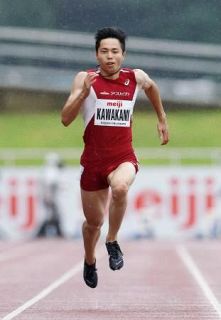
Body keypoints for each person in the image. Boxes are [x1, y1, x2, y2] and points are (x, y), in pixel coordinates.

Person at [61, 27, 169, 288]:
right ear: (97, 55)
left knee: (120, 187)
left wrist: (162, 118)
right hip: (93, 162)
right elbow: (65, 119)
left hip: (122, 156)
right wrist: (83, 94)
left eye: (115, 52)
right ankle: (89, 260)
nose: (110, 57)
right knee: (92, 223)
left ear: (123, 54)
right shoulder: (84, 79)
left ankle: (112, 241)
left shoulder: (136, 77)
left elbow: (152, 88)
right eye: (104, 51)